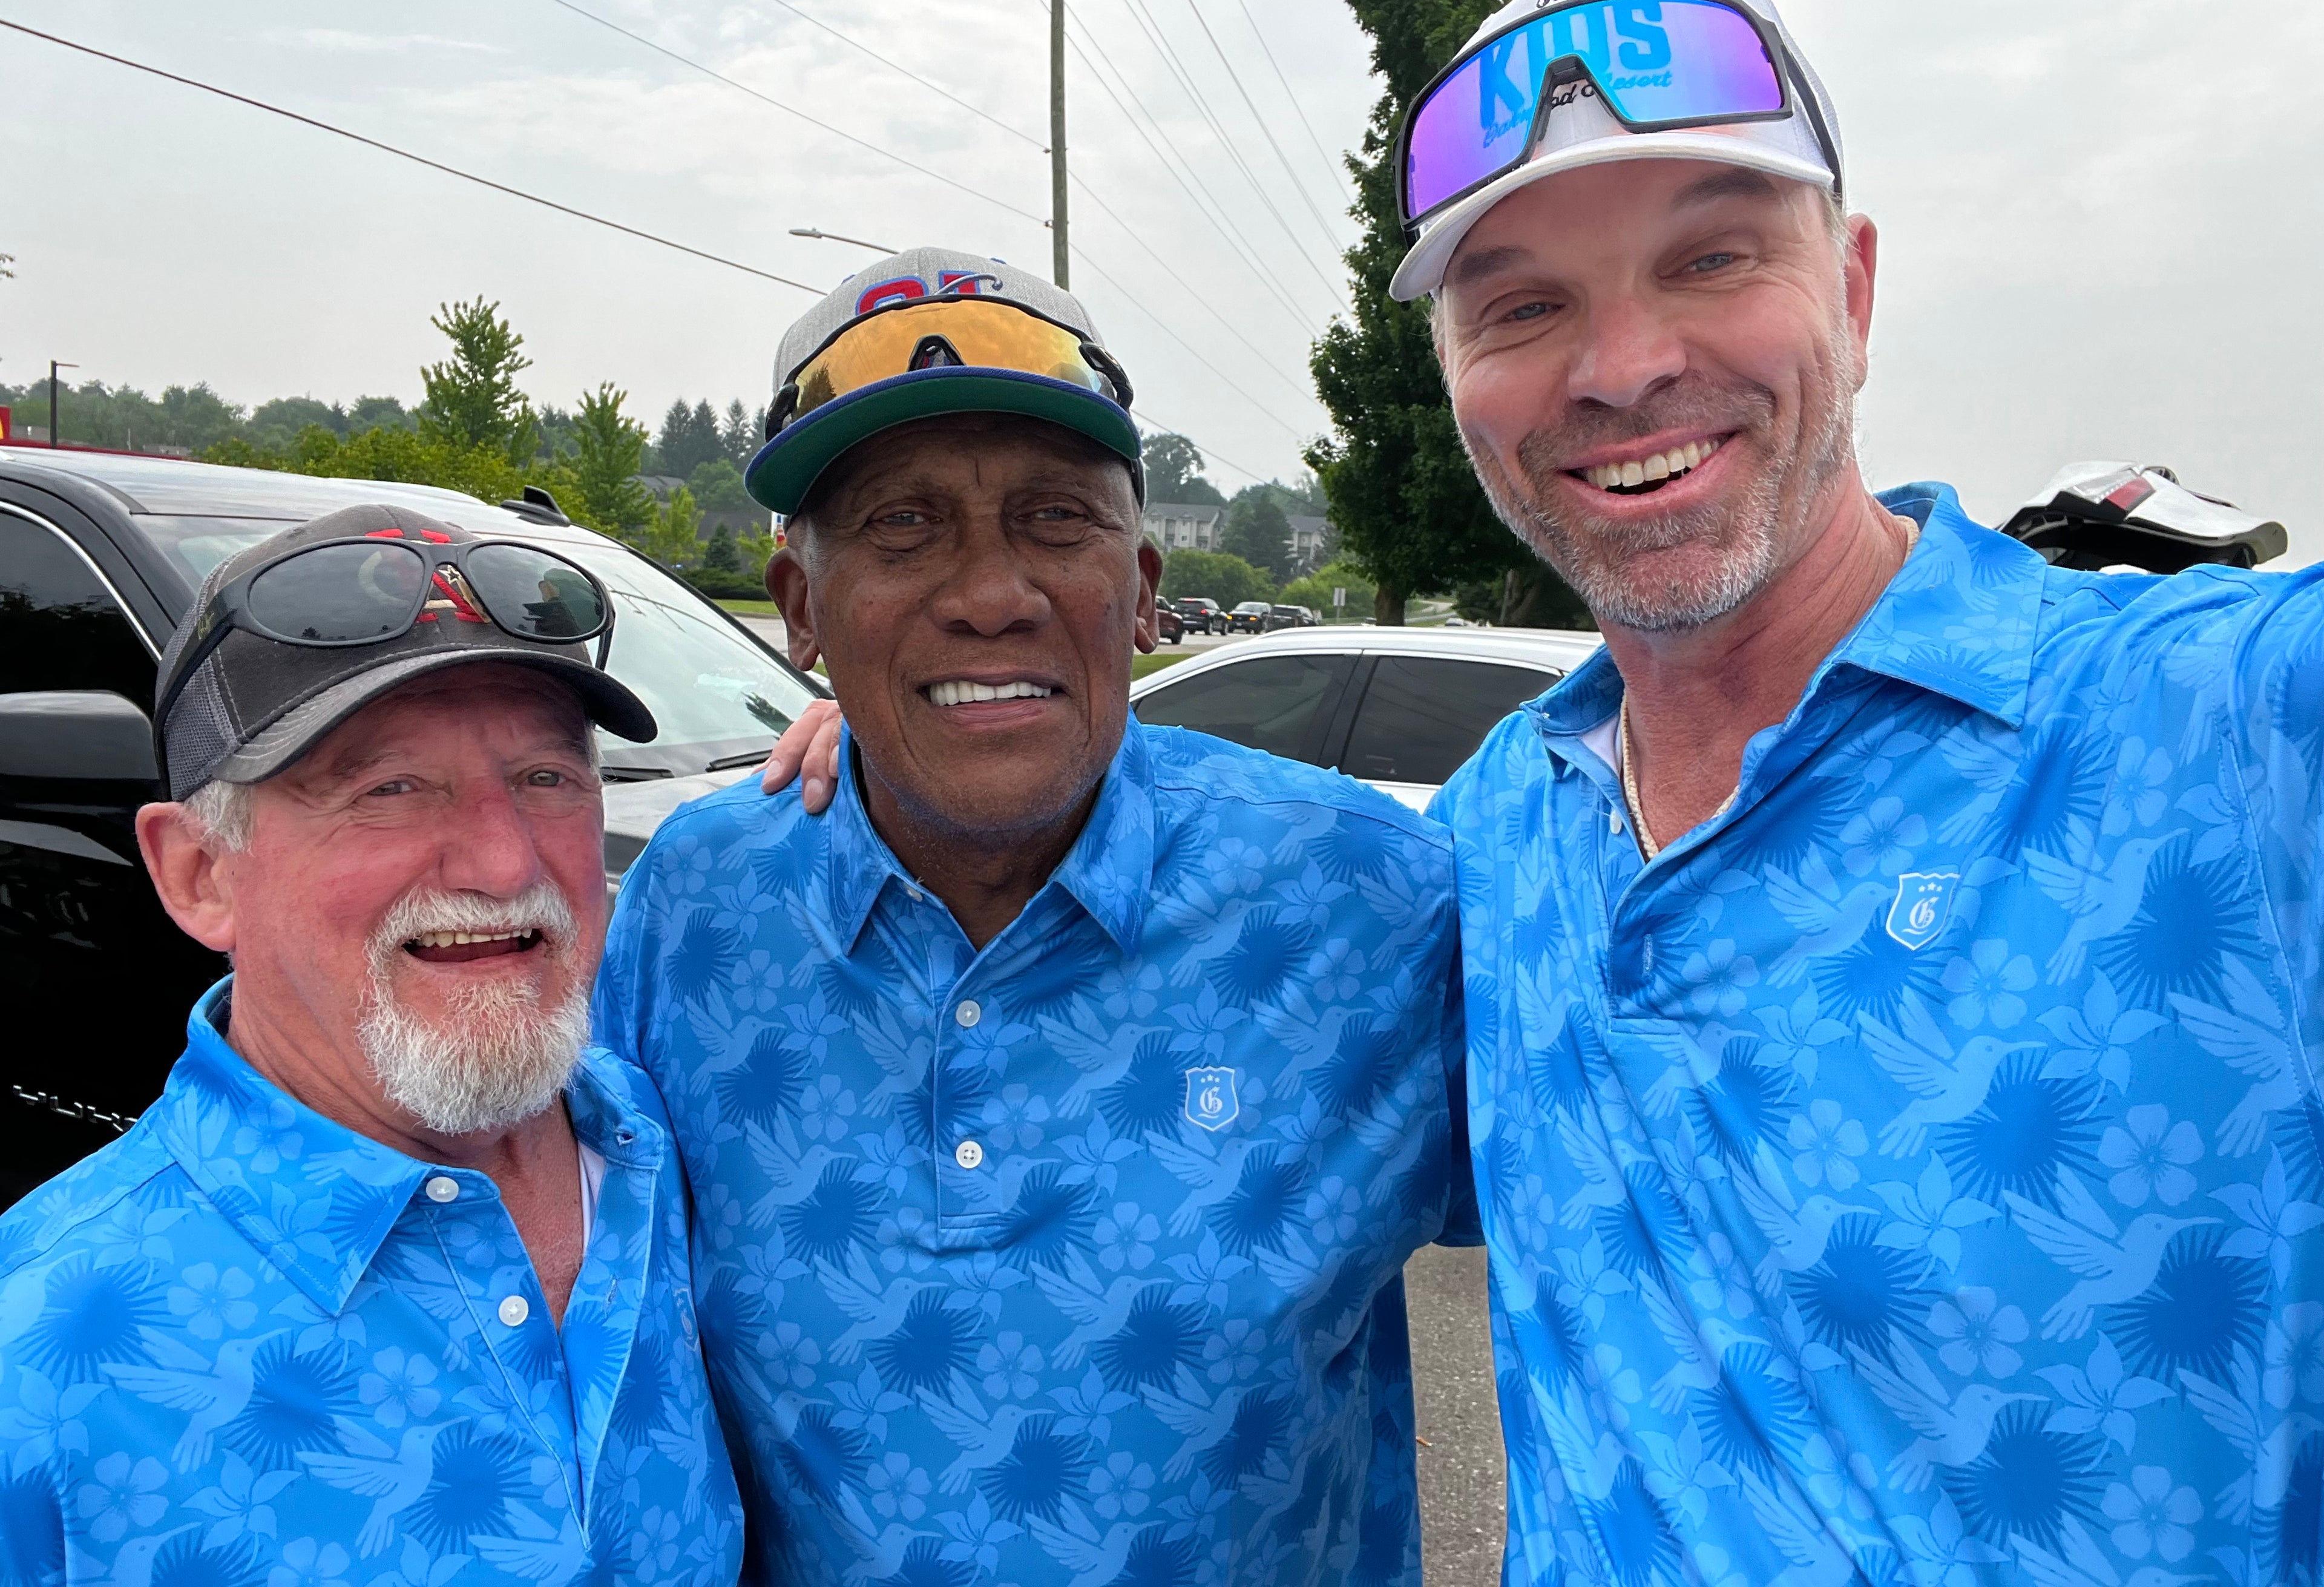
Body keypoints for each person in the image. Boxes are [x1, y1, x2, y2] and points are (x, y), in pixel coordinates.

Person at [1402, 0, 2324, 1583]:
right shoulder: (1489, 834)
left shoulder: (2227, 722)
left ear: (1856, 291)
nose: (1621, 365)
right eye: (1523, 307)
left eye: (1711, 258)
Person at [593, 250, 1472, 1586]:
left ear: (1144, 590)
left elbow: (1653, 1259)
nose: (991, 595)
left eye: (1056, 520)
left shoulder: (1367, 897)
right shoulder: (698, 909)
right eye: (902, 526)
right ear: (801, 611)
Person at [0, 505, 742, 1583]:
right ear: (199, 874)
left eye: (546, 777)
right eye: (388, 789)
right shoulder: (39, 1361)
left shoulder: (675, 1150)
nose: (503, 862)